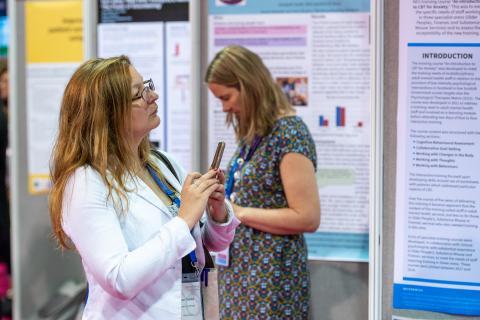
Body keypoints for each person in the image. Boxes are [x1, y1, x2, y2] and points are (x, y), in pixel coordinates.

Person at [49, 56, 239, 318]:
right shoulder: (84, 182)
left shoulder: (162, 163)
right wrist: (184, 220)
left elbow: (209, 243)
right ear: (109, 114)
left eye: (147, 86)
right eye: (139, 94)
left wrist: (216, 212)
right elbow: (119, 278)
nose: (154, 96)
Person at [206, 45, 320, 319]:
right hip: (242, 277)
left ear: (249, 85)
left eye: (227, 97)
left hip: (271, 280)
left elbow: (307, 217)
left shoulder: (290, 134)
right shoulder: (255, 133)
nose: (225, 107)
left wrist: (239, 212)